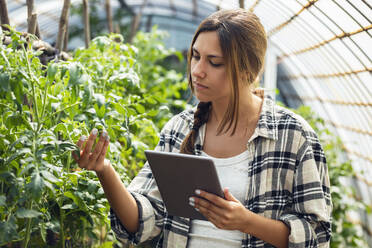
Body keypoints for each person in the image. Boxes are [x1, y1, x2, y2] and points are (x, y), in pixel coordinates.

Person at [73, 8, 332, 248]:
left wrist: (247, 222)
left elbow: (317, 237)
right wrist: (104, 170)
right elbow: (143, 223)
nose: (197, 71)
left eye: (214, 62)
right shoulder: (180, 129)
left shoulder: (293, 137)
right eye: (195, 56)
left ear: (248, 69)